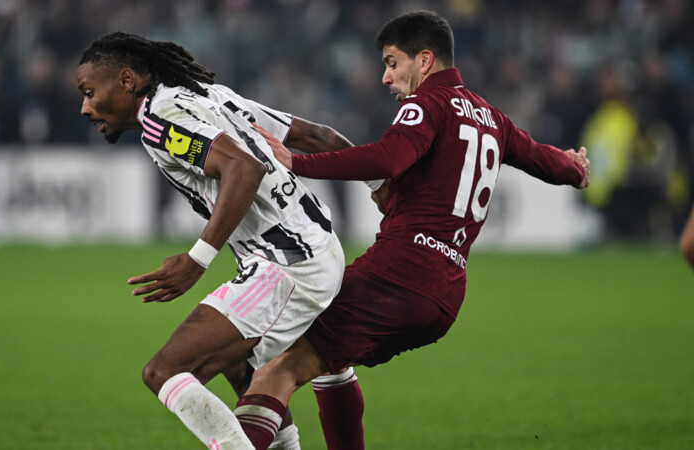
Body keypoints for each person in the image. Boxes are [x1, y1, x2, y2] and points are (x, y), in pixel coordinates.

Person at [160, 11, 590, 449]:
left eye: (392, 63)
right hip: (446, 293)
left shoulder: (427, 104)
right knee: (329, 362)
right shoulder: (491, 117)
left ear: (425, 60)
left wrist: (298, 162)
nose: (386, 77)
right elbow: (545, 160)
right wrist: (575, 168)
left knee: (278, 370)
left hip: (398, 275)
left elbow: (389, 157)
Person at [76, 32, 375, 449]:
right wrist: (379, 183)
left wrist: (197, 259)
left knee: (165, 372)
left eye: (89, 92)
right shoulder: (210, 95)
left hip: (288, 264)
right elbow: (316, 135)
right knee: (243, 366)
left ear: (126, 81)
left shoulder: (159, 120)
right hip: (315, 245)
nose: (86, 107)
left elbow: (243, 168)